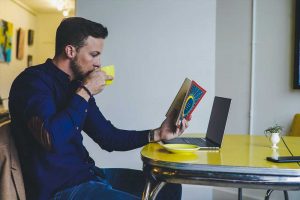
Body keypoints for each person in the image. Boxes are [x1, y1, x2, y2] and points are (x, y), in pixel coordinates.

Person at [9, 17, 188, 200]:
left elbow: (109, 137)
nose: (98, 63)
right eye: (94, 55)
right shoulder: (33, 82)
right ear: (70, 50)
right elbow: (51, 138)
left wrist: (158, 133)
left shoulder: (76, 85)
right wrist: (85, 91)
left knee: (168, 187)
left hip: (89, 175)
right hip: (60, 190)